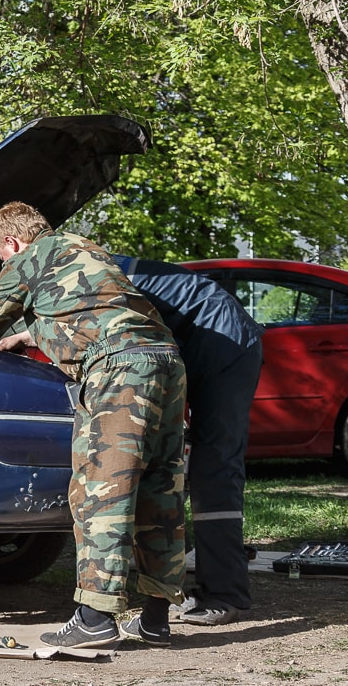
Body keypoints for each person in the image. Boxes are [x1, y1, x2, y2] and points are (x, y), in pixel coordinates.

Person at [0, 201, 188, 650]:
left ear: (12, 242)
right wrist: (31, 334)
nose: (4, 263)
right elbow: (89, 311)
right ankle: (156, 619)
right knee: (159, 490)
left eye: (1, 256)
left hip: (120, 369)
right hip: (166, 361)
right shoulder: (87, 249)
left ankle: (96, 618)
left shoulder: (27, 258)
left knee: (103, 490)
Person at [111, 255, 263, 626]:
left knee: (215, 468)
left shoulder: (91, 273)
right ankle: (198, 586)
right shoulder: (89, 266)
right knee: (176, 466)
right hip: (197, 344)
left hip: (224, 343)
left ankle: (227, 595)